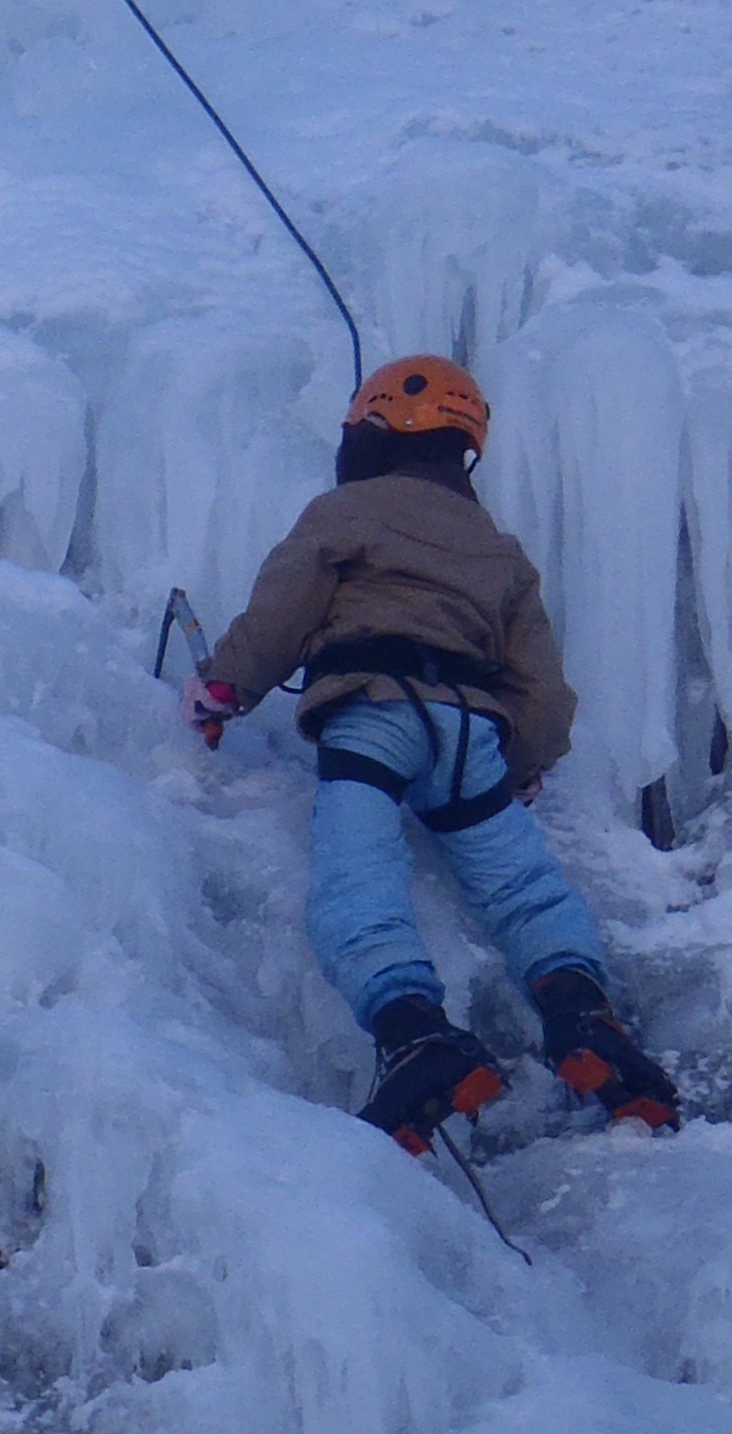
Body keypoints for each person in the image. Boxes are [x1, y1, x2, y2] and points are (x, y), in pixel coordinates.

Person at [191, 353, 680, 1146]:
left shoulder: (345, 513)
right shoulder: (498, 550)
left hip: (372, 716)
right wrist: (523, 763)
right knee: (524, 887)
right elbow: (543, 692)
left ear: (376, 430)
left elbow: (286, 607)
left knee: (360, 878)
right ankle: (584, 1018)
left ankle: (413, 1030)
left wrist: (225, 687)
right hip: (467, 733)